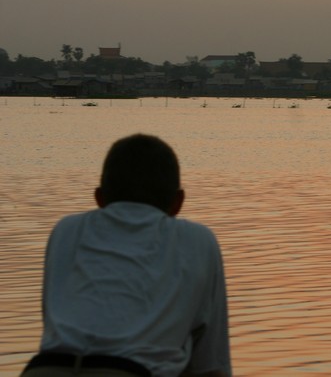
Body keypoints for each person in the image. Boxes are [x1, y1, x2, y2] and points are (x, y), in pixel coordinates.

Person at [21, 134, 232, 377]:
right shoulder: (197, 240)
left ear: (99, 198)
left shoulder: (66, 230)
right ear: (178, 202)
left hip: (44, 370)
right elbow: (211, 365)